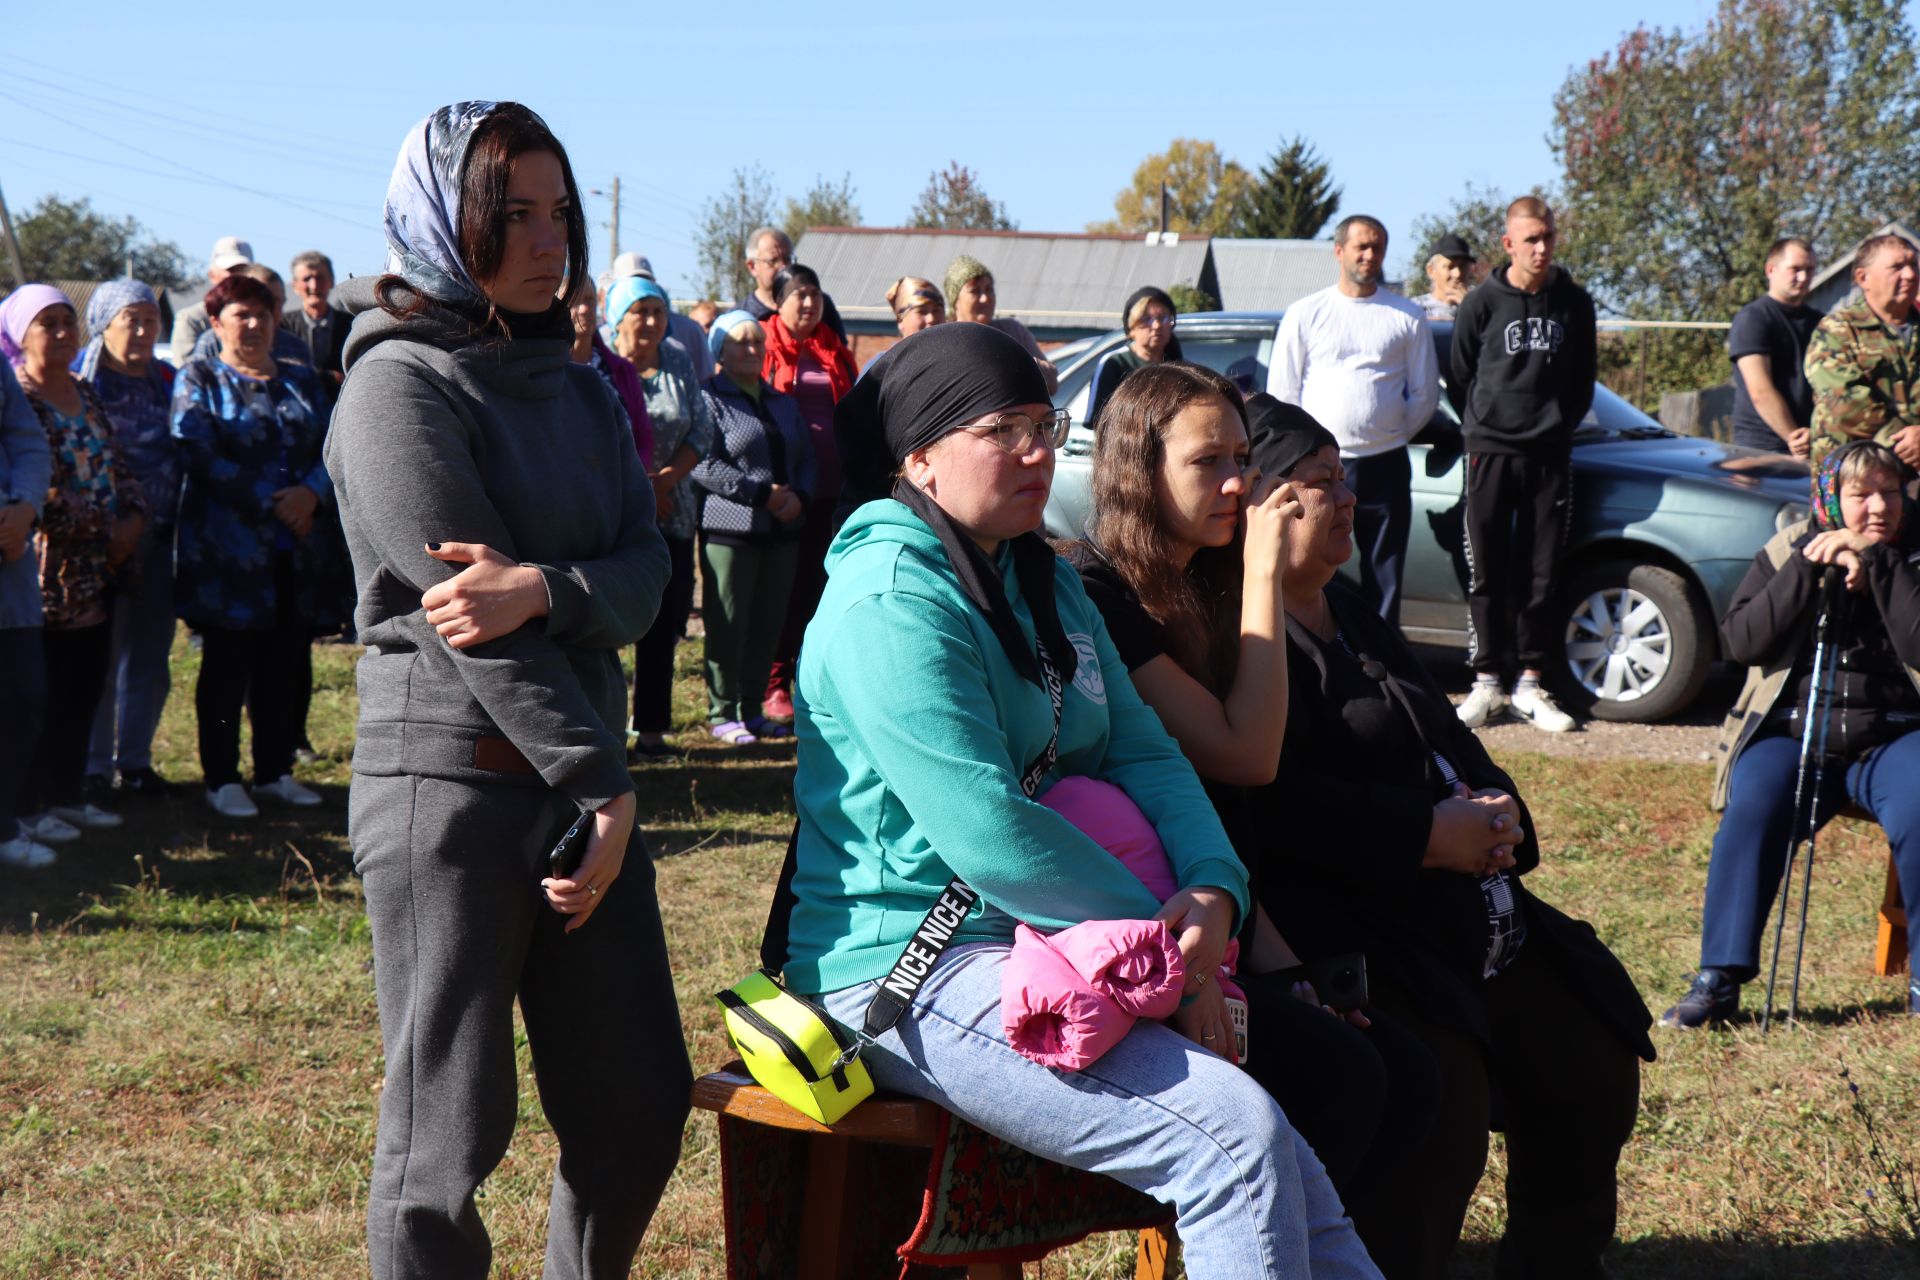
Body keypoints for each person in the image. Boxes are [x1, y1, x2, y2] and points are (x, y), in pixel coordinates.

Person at [786, 321, 1381, 1279]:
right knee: (1229, 1139)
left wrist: (1214, 891)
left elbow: (1146, 754)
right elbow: (990, 834)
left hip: (1062, 934)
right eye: (1003, 430)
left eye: (1044, 423)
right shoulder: (890, 598)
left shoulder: (1043, 581)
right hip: (912, 963)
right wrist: (1173, 955)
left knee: (1288, 1158)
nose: (1037, 451)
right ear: (923, 458)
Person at [326, 101, 688, 1279]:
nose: (549, 242)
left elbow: (646, 576)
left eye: (560, 213)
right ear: (441, 225)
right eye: (512, 215)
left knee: (638, 1102)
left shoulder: (583, 391)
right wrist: (602, 776)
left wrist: (545, 585)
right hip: (455, 795)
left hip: (584, 797)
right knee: (446, 1139)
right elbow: (465, 628)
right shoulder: (397, 389)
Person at [1226, 391, 1653, 1277]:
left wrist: (1498, 818)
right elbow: (1275, 805)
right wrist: (1424, 836)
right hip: (1369, 933)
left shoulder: (1349, 606)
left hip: (1472, 917)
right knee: (1439, 1118)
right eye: (1316, 483)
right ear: (1260, 504)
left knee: (1592, 1054)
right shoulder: (1238, 637)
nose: (1345, 499)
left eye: (1344, 477)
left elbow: (1449, 735)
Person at [1066, 367, 1445, 1218]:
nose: (1239, 482)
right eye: (1211, 462)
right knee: (1346, 1082)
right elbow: (1248, 757)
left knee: (1410, 1077)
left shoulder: (1201, 581)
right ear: (1138, 467)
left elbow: (1234, 817)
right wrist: (1264, 580)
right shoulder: (1100, 595)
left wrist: (1285, 965)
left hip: (1234, 921)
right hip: (1146, 937)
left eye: (1244, 456)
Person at [1663, 440, 1920, 1025]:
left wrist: (1880, 565)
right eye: (1861, 495)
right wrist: (1807, 568)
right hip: (1796, 734)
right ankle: (1718, 980)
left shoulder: (1916, 554)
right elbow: (1743, 642)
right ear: (1831, 499)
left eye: (1890, 492)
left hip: (1898, 734)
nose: (1879, 506)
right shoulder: (1787, 547)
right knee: (1753, 807)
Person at [171, 272, 346, 819]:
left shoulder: (300, 380)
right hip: (227, 554)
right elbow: (195, 450)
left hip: (296, 551)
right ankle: (221, 778)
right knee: (227, 667)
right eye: (241, 314)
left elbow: (334, 446)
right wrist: (275, 501)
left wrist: (312, 494)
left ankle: (275, 771)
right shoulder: (199, 377)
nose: (253, 323)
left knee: (283, 663)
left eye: (263, 314)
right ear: (217, 322)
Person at [4, 285, 149, 844]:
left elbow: (114, 461)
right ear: (20, 334)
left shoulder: (85, 392)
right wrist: (103, 528)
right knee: (42, 692)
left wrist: (133, 515)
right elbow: (41, 486)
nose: (65, 333)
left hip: (100, 569)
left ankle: (67, 795)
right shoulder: (19, 395)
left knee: (85, 688)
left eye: (69, 321)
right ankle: (30, 803)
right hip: (44, 572)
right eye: (50, 324)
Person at [1449, 196, 1597, 733]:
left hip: (1550, 455)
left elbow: (1585, 378)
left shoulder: (1574, 303)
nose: (1541, 248)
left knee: (1541, 573)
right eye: (1530, 239)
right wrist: (1488, 421)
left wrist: (1557, 423)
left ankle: (1531, 683)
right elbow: (1461, 374)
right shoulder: (1481, 303)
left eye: (1548, 238)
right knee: (1487, 569)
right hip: (1490, 450)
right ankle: (1487, 682)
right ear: (1508, 244)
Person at [1273, 215, 1440, 626]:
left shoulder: (1407, 315)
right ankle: (1318, 653)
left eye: (1378, 247)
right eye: (1361, 247)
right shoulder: (1305, 313)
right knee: (1312, 565)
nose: (1370, 255)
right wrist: (1308, 459)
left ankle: (1384, 664)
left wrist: (1389, 434)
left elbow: (1425, 394)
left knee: (1385, 575)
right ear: (1339, 251)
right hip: (1317, 472)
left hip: (1386, 464)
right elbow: (1283, 394)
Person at [603, 273, 716, 758]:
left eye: (657, 311)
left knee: (663, 623)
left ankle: (650, 730)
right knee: (603, 622)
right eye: (639, 311)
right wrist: (642, 488)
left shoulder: (676, 359)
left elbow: (704, 427)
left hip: (673, 509)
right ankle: (601, 731)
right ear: (618, 317)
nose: (650, 321)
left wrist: (666, 480)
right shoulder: (599, 364)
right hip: (612, 512)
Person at [77, 280, 180, 799]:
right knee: (99, 655)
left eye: (149, 320)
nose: (142, 330)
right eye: (130, 320)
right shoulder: (81, 381)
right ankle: (93, 767)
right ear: (104, 324)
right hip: (97, 544)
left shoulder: (167, 377)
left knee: (149, 655)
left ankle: (135, 763)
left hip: (158, 540)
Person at [693, 311, 813, 744]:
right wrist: (762, 494)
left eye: (757, 343)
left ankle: (750, 707)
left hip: (783, 530)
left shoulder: (781, 400)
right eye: (739, 342)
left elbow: (805, 456)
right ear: (719, 350)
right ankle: (722, 711)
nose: (750, 350)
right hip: (731, 529)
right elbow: (702, 463)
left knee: (768, 623)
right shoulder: (708, 398)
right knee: (728, 622)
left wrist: (799, 495)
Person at [759, 264, 857, 722]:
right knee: (781, 591)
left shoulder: (833, 348)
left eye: (815, 294)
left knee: (819, 590)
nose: (808, 302)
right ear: (778, 300)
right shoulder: (760, 342)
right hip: (784, 489)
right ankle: (771, 682)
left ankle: (809, 680)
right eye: (799, 294)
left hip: (831, 490)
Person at [0, 355, 53, 868]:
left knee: (21, 695)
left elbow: (28, 442)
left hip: (9, 563)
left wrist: (25, 506)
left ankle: (4, 823)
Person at [1807, 232, 1920, 470]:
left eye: (1913, 265)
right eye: (1897, 267)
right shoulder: (1838, 330)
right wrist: (1906, 442)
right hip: (1853, 479)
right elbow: (1845, 404)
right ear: (1863, 277)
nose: (1910, 274)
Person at [1725, 237, 1822, 458]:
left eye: (1810, 269)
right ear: (1771, 270)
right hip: (1763, 449)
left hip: (1813, 443)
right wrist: (1794, 438)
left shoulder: (1822, 322)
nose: (1804, 277)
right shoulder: (1754, 318)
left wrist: (1817, 434)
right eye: (1795, 269)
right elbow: (1760, 391)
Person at [566, 276, 653, 467]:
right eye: (574, 301)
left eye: (589, 300)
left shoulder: (621, 370)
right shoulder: (546, 370)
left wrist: (636, 478)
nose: (584, 309)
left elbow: (642, 435)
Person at [943, 254, 1059, 394]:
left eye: (989, 289)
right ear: (955, 301)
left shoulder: (1012, 331)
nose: (985, 298)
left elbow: (1051, 383)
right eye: (975, 291)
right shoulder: (944, 340)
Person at [1089, 285, 1183, 423]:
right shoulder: (1114, 363)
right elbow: (1099, 419)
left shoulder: (1178, 366)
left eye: (1163, 318)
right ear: (1131, 328)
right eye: (1146, 319)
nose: (1157, 326)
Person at [736, 225, 847, 340]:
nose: (783, 267)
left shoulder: (819, 305)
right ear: (752, 267)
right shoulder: (741, 317)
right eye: (773, 261)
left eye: (788, 259)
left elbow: (841, 353)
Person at [190, 264, 312, 366]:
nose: (268, 309)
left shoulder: (296, 348)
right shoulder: (211, 344)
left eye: (274, 301)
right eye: (257, 303)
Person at [607, 250, 707, 376]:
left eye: (646, 282)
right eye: (641, 311)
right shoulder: (600, 357)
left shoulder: (679, 359)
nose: (652, 321)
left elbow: (704, 381)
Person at [169, 235, 252, 362]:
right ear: (212, 275)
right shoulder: (192, 320)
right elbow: (185, 370)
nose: (237, 277)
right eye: (230, 270)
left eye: (242, 270)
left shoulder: (260, 318)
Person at [283, 250, 352, 388]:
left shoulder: (351, 325)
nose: (314, 286)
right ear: (295, 286)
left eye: (320, 278)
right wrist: (330, 377)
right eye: (306, 279)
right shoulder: (283, 326)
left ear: (331, 281)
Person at [1410, 232, 1476, 322]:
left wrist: (1470, 307)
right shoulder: (1414, 309)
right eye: (1450, 267)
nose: (1457, 274)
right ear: (1431, 270)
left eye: (1462, 266)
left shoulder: (1481, 306)